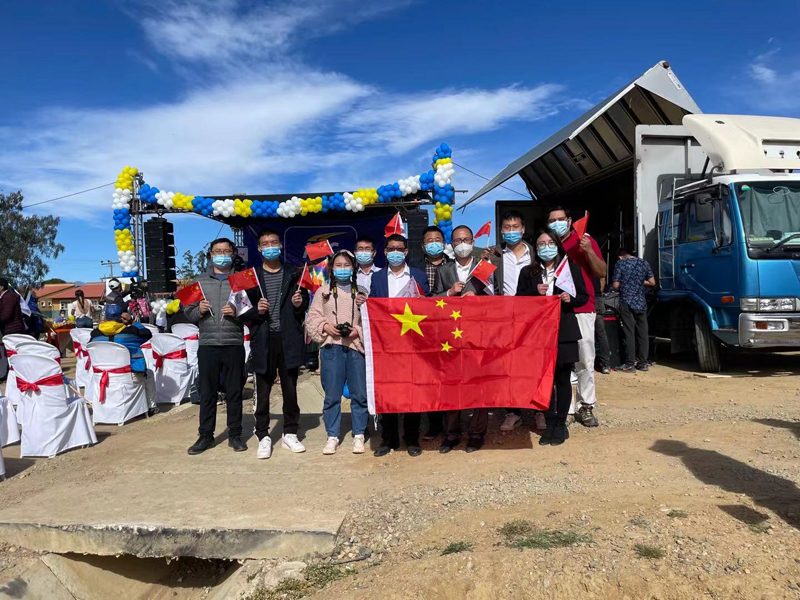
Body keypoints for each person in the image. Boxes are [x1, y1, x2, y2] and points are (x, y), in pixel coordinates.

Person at [516, 230, 588, 445]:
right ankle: (548, 422)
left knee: (563, 379)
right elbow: (518, 300)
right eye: (541, 244)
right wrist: (534, 293)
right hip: (538, 334)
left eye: (550, 243)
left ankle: (560, 424)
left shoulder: (570, 269)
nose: (545, 247)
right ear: (535, 249)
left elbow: (583, 297)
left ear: (557, 245)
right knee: (543, 381)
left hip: (564, 332)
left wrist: (570, 298)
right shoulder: (528, 272)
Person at [242, 228, 308, 460]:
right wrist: (256, 311)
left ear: (280, 245)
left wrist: (299, 304)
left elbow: (303, 306)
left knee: (290, 390)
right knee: (262, 390)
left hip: (288, 338)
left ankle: (290, 432)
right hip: (263, 339)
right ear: (259, 249)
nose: (270, 246)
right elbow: (241, 310)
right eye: (265, 243)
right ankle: (262, 435)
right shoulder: (251, 277)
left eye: (274, 242)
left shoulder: (294, 272)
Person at [184, 238, 250, 455]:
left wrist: (238, 312)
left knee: (234, 391)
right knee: (207, 392)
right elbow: (188, 313)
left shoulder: (242, 280)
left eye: (226, 251)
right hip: (208, 344)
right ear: (211, 255)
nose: (222, 255)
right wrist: (199, 310)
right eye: (217, 251)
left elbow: (252, 312)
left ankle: (235, 434)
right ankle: (205, 435)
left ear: (233, 254)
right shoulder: (198, 281)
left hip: (233, 343)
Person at [481, 211, 543, 432]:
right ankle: (513, 411)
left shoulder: (536, 253)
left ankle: (538, 410)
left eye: (515, 227)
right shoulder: (494, 254)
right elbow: (480, 281)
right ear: (501, 231)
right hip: (505, 317)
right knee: (508, 365)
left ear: (523, 229)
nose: (511, 231)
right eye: (507, 228)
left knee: (534, 364)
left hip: (534, 316)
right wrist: (483, 262)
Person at [369, 233, 430, 457]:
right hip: (386, 344)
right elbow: (373, 307)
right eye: (391, 249)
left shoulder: (418, 275)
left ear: (406, 252)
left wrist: (424, 303)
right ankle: (389, 438)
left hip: (413, 342)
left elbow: (430, 307)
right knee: (388, 390)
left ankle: (411, 438)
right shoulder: (377, 278)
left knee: (412, 390)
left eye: (399, 249)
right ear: (385, 252)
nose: (395, 252)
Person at [433, 225, 492, 453]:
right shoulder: (444, 270)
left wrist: (478, 297)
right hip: (450, 336)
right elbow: (432, 301)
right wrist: (448, 293)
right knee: (451, 384)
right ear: (452, 244)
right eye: (458, 241)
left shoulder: (484, 267)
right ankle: (452, 433)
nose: (462, 244)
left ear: (473, 241)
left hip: (478, 334)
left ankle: (477, 433)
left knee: (479, 384)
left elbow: (496, 297)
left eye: (466, 239)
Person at [547, 207, 606, 428]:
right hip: (555, 310)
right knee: (560, 361)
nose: (557, 223)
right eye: (552, 220)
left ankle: (585, 405)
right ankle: (565, 408)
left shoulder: (584, 240)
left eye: (560, 219)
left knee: (584, 358)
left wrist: (589, 251)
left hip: (582, 308)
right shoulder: (548, 244)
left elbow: (601, 272)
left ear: (570, 220)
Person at [305, 250, 368, 455]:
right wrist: (325, 326)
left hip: (355, 347)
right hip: (331, 347)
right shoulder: (323, 292)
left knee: (359, 393)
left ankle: (359, 434)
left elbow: (370, 320)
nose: (342, 269)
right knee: (332, 394)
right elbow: (312, 317)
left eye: (346, 265)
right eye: (338, 265)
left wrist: (356, 330)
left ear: (353, 268)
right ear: (331, 269)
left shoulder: (362, 292)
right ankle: (332, 435)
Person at [90, 304, 159, 416]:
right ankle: (152, 406)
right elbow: (148, 334)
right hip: (127, 374)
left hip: (103, 374)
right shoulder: (131, 332)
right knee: (149, 374)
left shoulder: (94, 335)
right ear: (120, 317)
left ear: (105, 317)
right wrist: (133, 322)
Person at [416, 225, 451, 441]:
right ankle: (434, 423)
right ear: (423, 246)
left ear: (444, 243)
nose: (434, 244)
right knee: (429, 378)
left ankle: (452, 425)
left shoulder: (453, 265)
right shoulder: (414, 268)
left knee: (450, 376)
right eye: (429, 241)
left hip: (451, 328)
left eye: (438, 240)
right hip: (424, 329)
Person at [612, 248, 656, 373]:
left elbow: (615, 285)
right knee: (643, 333)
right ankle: (643, 363)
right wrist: (639, 281)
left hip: (626, 302)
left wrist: (625, 282)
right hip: (641, 302)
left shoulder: (620, 263)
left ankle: (629, 364)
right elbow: (652, 282)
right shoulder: (643, 263)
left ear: (620, 256)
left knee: (629, 332)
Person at [593, 276, 611, 375]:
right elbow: (603, 278)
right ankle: (605, 364)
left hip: (589, 298)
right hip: (597, 298)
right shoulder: (599, 267)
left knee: (585, 333)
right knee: (601, 334)